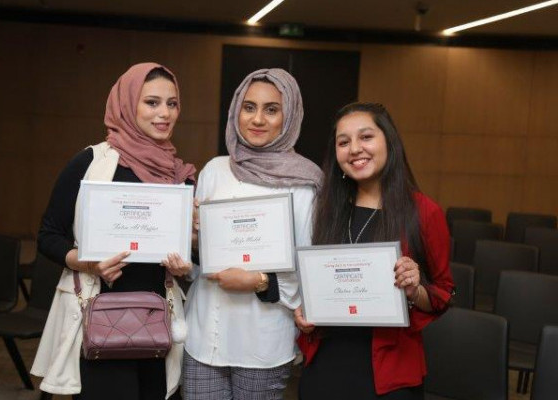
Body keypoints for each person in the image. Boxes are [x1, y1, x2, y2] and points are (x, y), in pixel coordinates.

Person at [30, 63, 196, 400]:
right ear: (127, 103)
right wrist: (88, 263)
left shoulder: (180, 175)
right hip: (100, 319)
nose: (164, 113)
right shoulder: (91, 162)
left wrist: (187, 261)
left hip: (157, 321)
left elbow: (190, 254)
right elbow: (48, 235)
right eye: (151, 102)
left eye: (172, 103)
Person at [295, 102, 454, 399]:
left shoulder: (423, 212)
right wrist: (305, 313)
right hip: (325, 364)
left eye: (366, 137)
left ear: (389, 142)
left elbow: (443, 295)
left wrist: (414, 289)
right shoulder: (326, 210)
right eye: (344, 142)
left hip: (388, 373)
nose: (355, 149)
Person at [182, 68, 322, 400]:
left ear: (289, 116)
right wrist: (193, 241)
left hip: (264, 341)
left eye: (271, 109)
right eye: (249, 107)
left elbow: (309, 270)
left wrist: (259, 281)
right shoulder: (215, 170)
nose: (257, 119)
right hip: (204, 333)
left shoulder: (305, 182)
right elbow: (197, 261)